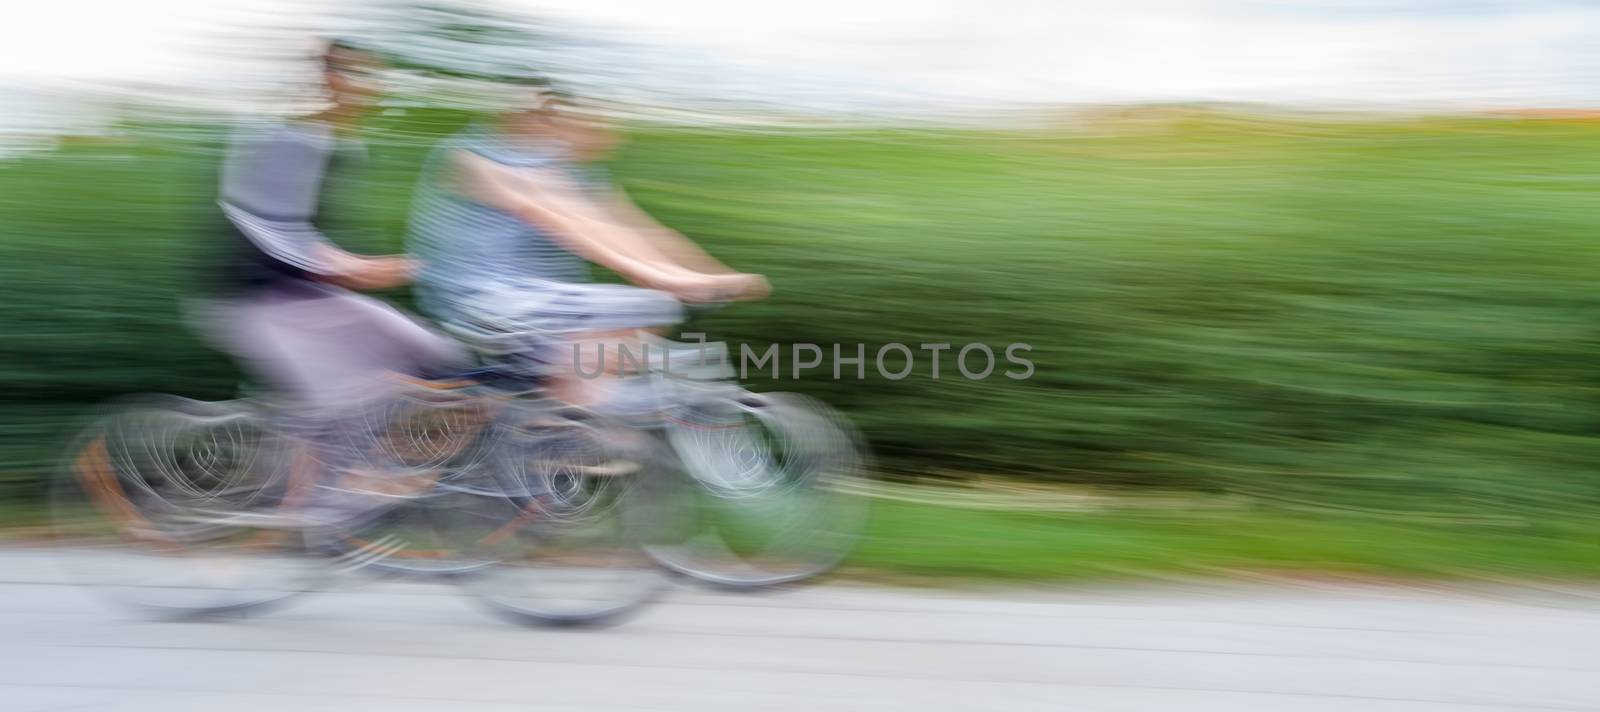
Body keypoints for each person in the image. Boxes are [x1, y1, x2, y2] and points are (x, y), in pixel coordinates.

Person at [200, 39, 467, 523]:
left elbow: (317, 239)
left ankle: (371, 472)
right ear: (326, 81)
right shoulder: (277, 138)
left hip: (308, 296)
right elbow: (276, 232)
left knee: (438, 355)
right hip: (251, 300)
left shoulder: (340, 147)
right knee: (343, 397)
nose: (367, 91)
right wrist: (360, 266)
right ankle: (323, 510)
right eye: (356, 77)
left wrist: (378, 265)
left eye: (371, 80)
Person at [407, 86, 766, 410]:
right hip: (482, 299)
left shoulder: (567, 173)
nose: (608, 135)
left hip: (538, 299)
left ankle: (558, 418)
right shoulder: (477, 159)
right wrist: (666, 279)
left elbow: (635, 230)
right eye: (591, 122)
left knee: (631, 335)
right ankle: (568, 411)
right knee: (646, 309)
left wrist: (708, 273)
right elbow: (567, 223)